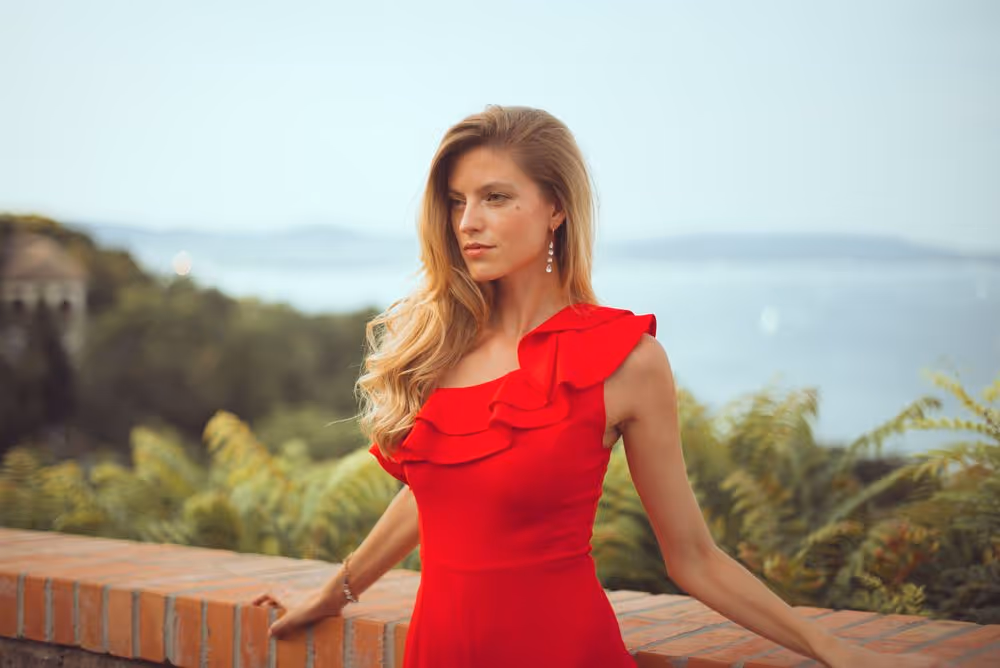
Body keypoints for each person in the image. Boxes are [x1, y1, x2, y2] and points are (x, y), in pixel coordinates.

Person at [252, 105, 946, 668]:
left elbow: (694, 558)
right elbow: (437, 492)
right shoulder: (443, 347)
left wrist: (835, 649)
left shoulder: (625, 361)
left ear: (555, 208)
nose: (468, 222)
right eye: (458, 201)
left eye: (496, 198)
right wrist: (333, 594)